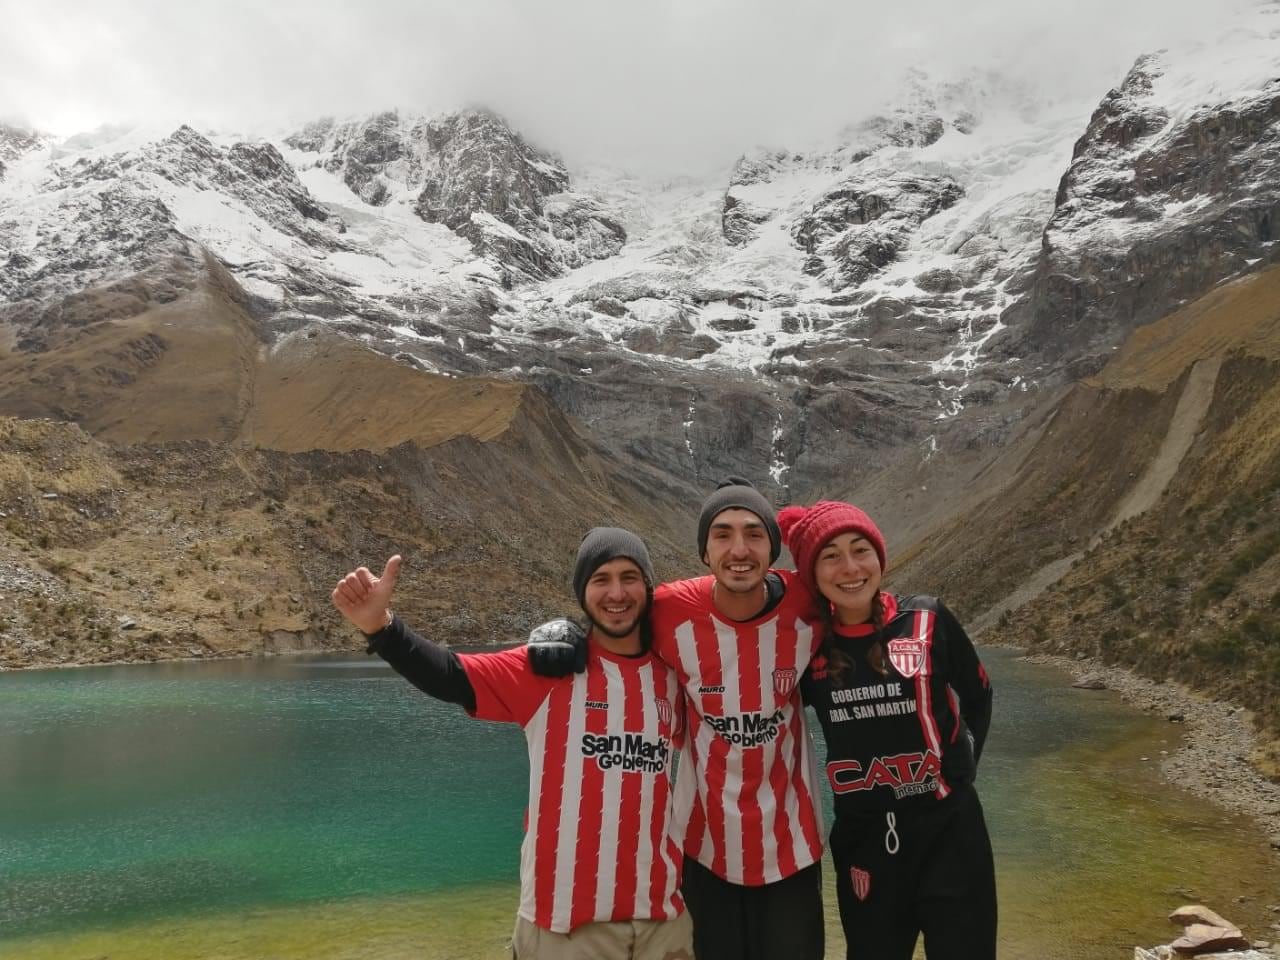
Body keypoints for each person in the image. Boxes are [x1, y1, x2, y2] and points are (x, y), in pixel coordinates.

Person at [331, 527, 693, 960]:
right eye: (601, 579)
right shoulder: (546, 671)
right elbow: (451, 675)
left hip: (662, 920)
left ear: (648, 586)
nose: (617, 592)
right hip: (564, 926)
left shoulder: (673, 676)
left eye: (629, 576)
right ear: (583, 592)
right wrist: (381, 627)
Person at [532, 478, 827, 960]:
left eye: (754, 533)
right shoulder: (670, 610)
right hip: (705, 850)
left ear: (772, 550)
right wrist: (561, 630)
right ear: (704, 552)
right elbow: (613, 612)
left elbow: (862, 600)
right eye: (723, 533)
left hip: (791, 849)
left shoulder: (807, 602)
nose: (739, 548)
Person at [777, 500, 996, 960]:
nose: (850, 567)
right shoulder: (806, 647)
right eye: (830, 556)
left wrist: (967, 758)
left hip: (952, 835)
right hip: (866, 843)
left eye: (861, 550)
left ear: (880, 557)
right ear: (812, 575)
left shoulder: (926, 620)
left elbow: (978, 693)